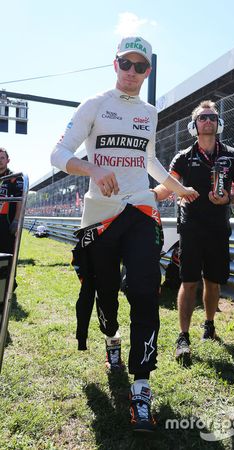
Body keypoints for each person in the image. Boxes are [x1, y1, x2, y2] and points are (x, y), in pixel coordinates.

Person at [50, 36, 198, 432]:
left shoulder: (149, 112)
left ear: (147, 71)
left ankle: (142, 384)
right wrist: (92, 169)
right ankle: (111, 339)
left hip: (142, 210)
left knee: (145, 291)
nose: (132, 73)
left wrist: (177, 187)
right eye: (126, 64)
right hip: (100, 216)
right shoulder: (94, 104)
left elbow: (147, 158)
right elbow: (58, 154)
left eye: (140, 66)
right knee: (106, 292)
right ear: (115, 64)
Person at [153, 100, 234, 361]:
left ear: (219, 124)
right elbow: (166, 186)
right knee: (188, 280)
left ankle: (209, 326)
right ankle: (183, 337)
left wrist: (228, 199)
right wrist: (153, 194)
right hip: (191, 227)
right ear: (193, 125)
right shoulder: (183, 157)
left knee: (213, 280)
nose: (208, 121)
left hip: (218, 227)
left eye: (212, 117)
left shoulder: (231, 155)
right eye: (203, 118)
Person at [0, 148, 23, 289]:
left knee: (8, 255)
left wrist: (16, 221)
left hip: (7, 223)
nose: (0, 161)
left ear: (8, 160)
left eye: (2, 158)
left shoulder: (14, 177)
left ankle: (9, 285)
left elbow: (20, 200)